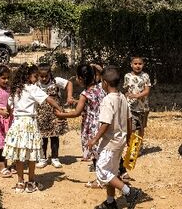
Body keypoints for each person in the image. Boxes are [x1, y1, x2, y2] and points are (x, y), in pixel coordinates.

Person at [87, 66, 143, 209]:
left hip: (110, 143)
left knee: (102, 172)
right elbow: (129, 119)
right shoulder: (123, 97)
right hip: (121, 141)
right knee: (112, 172)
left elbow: (106, 123)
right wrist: (129, 136)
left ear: (105, 82)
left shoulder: (107, 100)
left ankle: (129, 192)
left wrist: (94, 139)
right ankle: (111, 202)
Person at [2, 63, 63, 193]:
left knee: (18, 155)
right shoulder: (32, 89)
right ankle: (30, 182)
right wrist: (60, 109)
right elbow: (49, 99)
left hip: (17, 125)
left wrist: (8, 113)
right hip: (29, 124)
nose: (37, 79)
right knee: (32, 154)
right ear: (29, 76)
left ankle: (20, 182)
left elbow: (9, 105)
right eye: (35, 76)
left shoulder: (15, 89)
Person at [55, 63, 106, 187]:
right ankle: (107, 176)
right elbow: (94, 102)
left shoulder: (85, 94)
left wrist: (61, 115)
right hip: (104, 122)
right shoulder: (101, 87)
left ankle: (101, 180)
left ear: (81, 79)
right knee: (102, 151)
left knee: (96, 152)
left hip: (92, 126)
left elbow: (77, 113)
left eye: (77, 77)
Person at [35, 62, 69, 169]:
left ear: (50, 74)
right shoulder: (36, 84)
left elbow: (69, 84)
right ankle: (43, 158)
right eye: (41, 76)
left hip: (55, 114)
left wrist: (69, 97)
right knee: (43, 137)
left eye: (46, 76)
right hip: (41, 115)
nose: (44, 78)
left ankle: (55, 158)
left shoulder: (56, 81)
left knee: (54, 136)